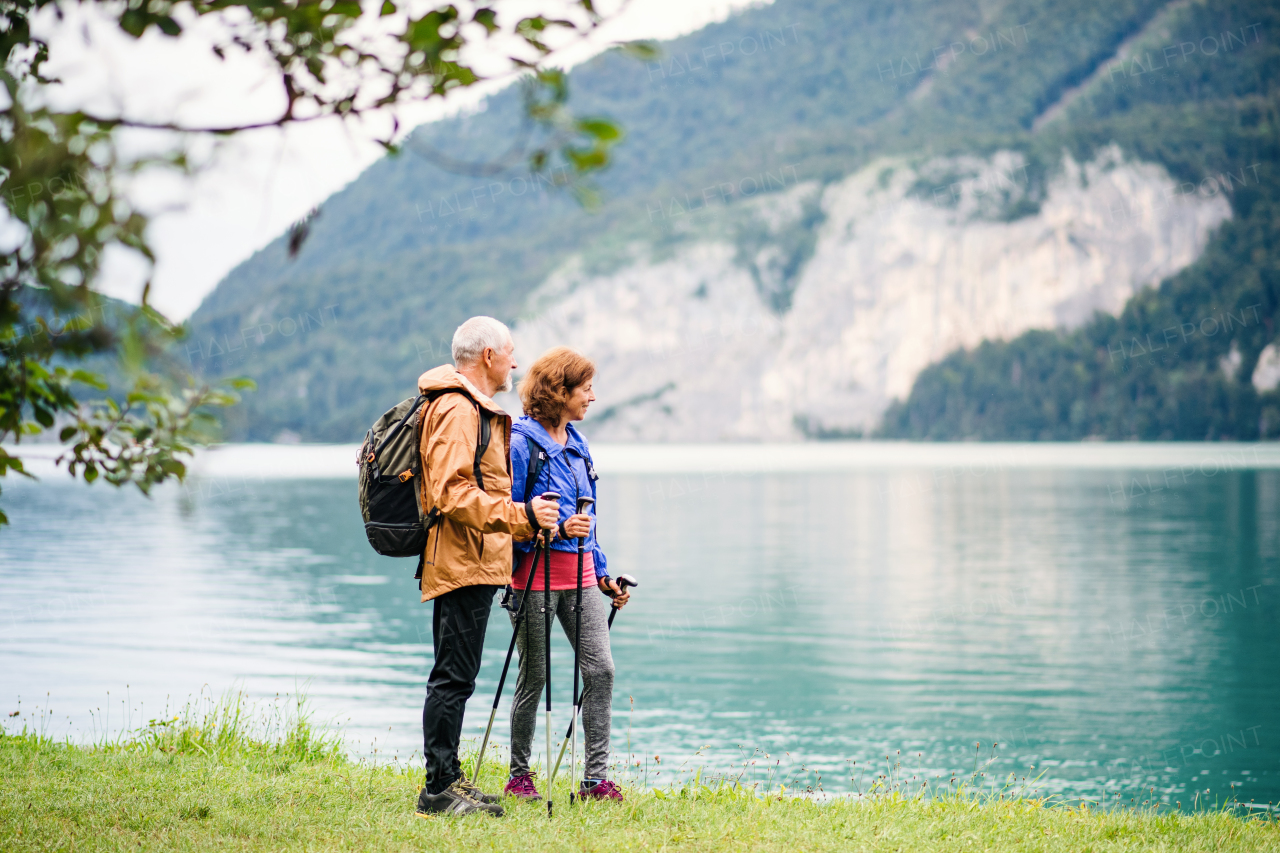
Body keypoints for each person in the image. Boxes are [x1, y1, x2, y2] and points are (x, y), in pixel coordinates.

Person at [414, 316, 561, 818]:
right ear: (488, 357)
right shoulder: (457, 409)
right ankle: (438, 791)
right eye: (511, 352)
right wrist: (521, 517)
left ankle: (449, 778)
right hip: (461, 561)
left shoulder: (471, 408)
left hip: (475, 561)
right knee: (452, 676)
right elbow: (451, 493)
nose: (517, 362)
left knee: (460, 673)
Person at [503, 346, 631, 802]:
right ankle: (519, 777)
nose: (592, 397)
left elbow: (589, 521)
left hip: (579, 577)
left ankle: (595, 780)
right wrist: (550, 527)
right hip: (532, 577)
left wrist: (603, 574)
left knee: (602, 671)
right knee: (534, 676)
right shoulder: (520, 444)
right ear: (560, 391)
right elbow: (507, 517)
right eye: (586, 388)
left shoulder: (578, 444)